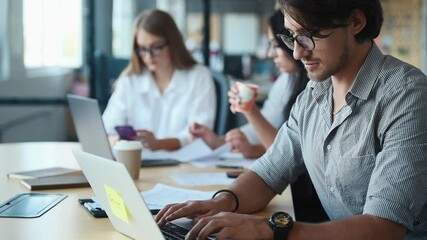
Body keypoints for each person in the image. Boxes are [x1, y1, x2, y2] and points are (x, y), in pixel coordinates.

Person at [156, 0, 427, 239]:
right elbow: (270, 172)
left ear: (356, 22)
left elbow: (386, 227)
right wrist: (223, 201)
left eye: (309, 35)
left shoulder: (406, 96)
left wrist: (272, 229)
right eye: (292, 36)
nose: (298, 53)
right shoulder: (313, 95)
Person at [190, 10, 309, 159]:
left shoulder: (316, 87)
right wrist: (219, 142)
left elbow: (287, 154)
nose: (270, 54)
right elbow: (264, 129)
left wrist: (251, 110)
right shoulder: (288, 79)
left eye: (275, 45)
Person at [102, 9, 216, 151]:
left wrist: (159, 144)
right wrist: (117, 140)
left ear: (173, 43)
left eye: (156, 47)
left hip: (184, 165)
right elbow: (107, 128)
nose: (149, 56)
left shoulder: (199, 76)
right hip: (138, 162)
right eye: (142, 49)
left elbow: (200, 133)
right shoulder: (129, 80)